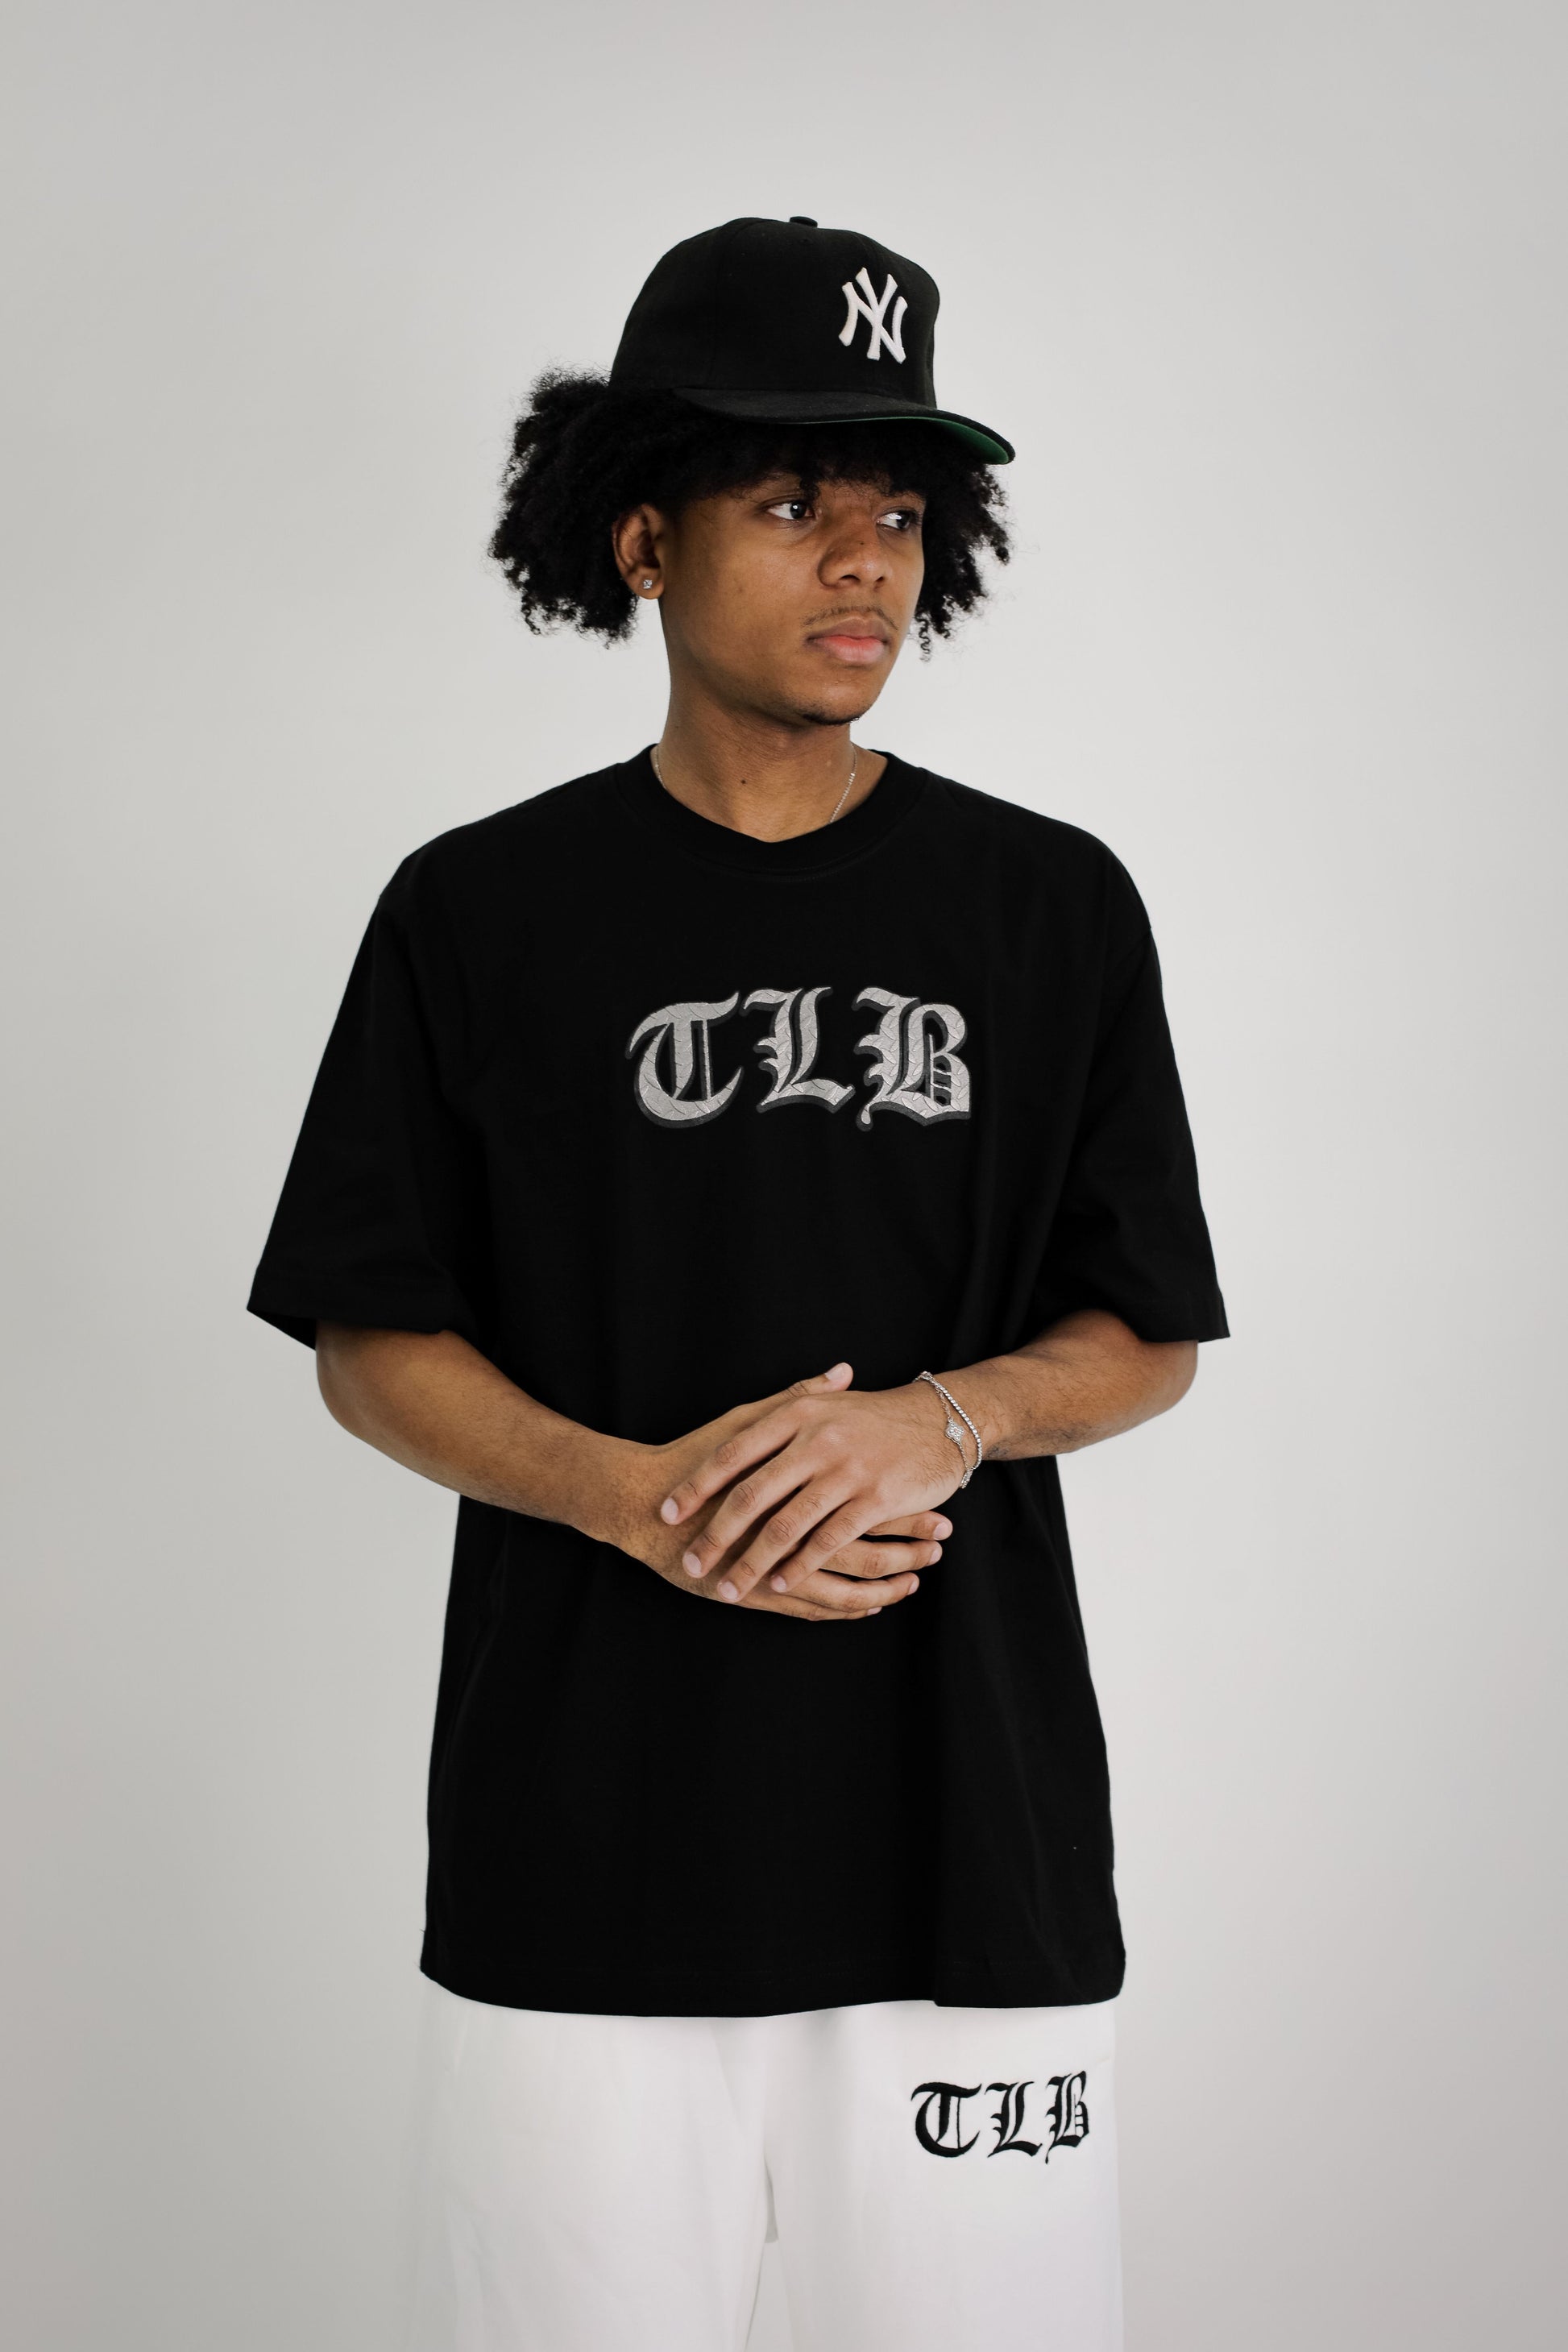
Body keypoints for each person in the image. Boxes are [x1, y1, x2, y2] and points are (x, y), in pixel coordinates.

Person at [247, 214, 1227, 2352]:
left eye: (899, 515)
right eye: (791, 504)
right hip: (582, 1850)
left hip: (968, 1853)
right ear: (639, 538)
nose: (864, 563)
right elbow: (370, 1338)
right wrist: (638, 1500)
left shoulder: (1051, 906)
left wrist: (940, 1420)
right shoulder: (477, 910)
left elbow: (1143, 1328)